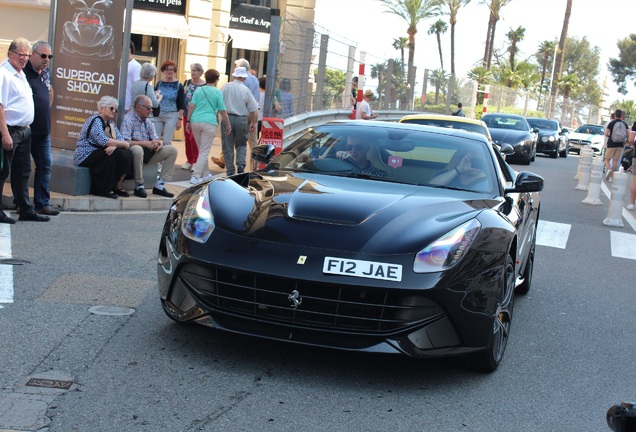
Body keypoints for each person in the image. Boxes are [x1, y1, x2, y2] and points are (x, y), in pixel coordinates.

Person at [0, 37, 49, 223]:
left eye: (27, 55)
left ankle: (25, 208)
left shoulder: (20, 73)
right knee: (3, 171)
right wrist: (5, 134)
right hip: (10, 130)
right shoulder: (4, 73)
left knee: (23, 172)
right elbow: (0, 106)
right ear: (10, 53)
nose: (24, 59)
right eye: (21, 54)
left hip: (24, 130)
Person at [23, 40, 59, 216]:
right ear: (33, 54)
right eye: (43, 56)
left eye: (49, 56)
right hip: (26, 130)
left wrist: (46, 108)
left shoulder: (45, 73)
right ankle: (20, 203)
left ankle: (42, 203)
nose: (46, 59)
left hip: (43, 131)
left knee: (46, 165)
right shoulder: (23, 72)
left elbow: (49, 92)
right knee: (22, 169)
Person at [74, 96, 134, 199]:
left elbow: (121, 140)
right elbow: (102, 140)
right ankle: (102, 189)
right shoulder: (95, 120)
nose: (114, 111)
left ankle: (117, 185)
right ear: (102, 108)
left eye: (116, 109)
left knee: (127, 153)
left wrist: (115, 146)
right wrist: (120, 145)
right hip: (86, 154)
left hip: (100, 151)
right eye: (111, 108)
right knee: (114, 154)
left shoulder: (111, 124)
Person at [119, 95, 177, 198]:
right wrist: (145, 143)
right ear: (138, 107)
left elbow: (156, 138)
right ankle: (139, 185)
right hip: (135, 155)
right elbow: (125, 142)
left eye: (152, 108)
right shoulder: (128, 119)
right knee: (137, 149)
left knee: (172, 150)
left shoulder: (148, 120)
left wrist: (158, 143)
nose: (150, 111)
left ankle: (160, 185)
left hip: (149, 154)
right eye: (148, 108)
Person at [185, 69, 231, 184]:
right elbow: (222, 111)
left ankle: (206, 174)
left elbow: (191, 106)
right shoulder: (217, 92)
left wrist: (188, 121)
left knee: (201, 149)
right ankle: (195, 176)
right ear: (216, 80)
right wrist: (228, 124)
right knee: (204, 151)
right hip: (209, 122)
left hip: (195, 120)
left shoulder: (199, 90)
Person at [220, 66, 259, 176]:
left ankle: (230, 170)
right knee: (241, 144)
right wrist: (253, 122)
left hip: (227, 118)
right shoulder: (245, 90)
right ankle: (241, 165)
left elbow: (218, 103)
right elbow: (253, 109)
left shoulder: (225, 87)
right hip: (242, 119)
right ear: (244, 78)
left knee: (227, 145)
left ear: (234, 76)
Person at [153, 60, 185, 147]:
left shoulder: (178, 85)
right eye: (167, 69)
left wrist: (179, 119)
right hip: (158, 114)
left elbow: (181, 104)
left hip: (172, 115)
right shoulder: (159, 83)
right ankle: (154, 159)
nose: (169, 71)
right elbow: (154, 99)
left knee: (167, 141)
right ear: (163, 71)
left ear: (174, 71)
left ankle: (165, 159)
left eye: (171, 69)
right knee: (155, 139)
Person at [181, 63, 205, 171]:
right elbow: (182, 97)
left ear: (200, 73)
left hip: (197, 115)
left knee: (193, 138)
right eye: (192, 70)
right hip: (186, 113)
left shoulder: (204, 85)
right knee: (187, 138)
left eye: (195, 70)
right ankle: (189, 160)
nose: (193, 72)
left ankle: (196, 161)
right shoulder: (187, 82)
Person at [235, 59, 260, 151]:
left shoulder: (241, 80)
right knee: (253, 139)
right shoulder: (255, 79)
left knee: (234, 134)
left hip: (243, 110)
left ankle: (224, 159)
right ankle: (255, 163)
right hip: (254, 109)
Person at [604, 109, 629, 181]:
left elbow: (606, 133)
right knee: (615, 160)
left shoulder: (611, 123)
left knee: (607, 159)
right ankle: (612, 176)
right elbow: (628, 133)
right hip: (620, 144)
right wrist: (625, 140)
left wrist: (610, 137)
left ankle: (608, 170)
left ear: (615, 115)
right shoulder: (624, 124)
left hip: (611, 143)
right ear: (621, 115)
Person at [125, 41, 141, 112]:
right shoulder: (120, 64)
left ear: (129, 49)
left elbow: (137, 88)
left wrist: (132, 105)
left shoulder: (136, 66)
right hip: (118, 105)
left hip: (128, 106)